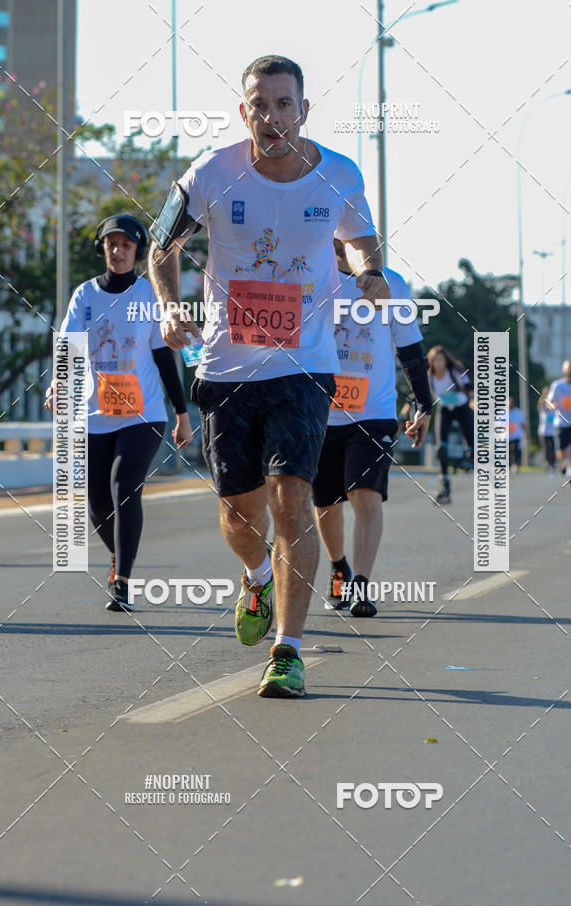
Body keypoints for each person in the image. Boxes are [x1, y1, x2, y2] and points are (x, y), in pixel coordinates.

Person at [148, 54, 391, 697]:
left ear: (303, 110)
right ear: (244, 111)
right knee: (238, 512)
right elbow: (161, 245)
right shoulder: (211, 173)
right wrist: (172, 308)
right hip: (227, 366)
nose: (272, 116)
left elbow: (364, 240)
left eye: (284, 104)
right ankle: (256, 576)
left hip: (305, 365)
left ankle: (287, 649)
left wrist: (369, 271)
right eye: (260, 104)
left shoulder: (337, 174)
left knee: (292, 501)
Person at [45, 214, 193, 611]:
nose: (118, 250)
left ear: (137, 250)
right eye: (111, 244)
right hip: (93, 415)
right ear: (103, 249)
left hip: (142, 416)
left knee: (123, 488)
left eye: (126, 244)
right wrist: (59, 383)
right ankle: (119, 556)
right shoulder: (85, 296)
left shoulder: (148, 295)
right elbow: (70, 346)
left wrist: (182, 414)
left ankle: (123, 581)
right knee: (96, 501)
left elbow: (164, 359)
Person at [313, 240, 431, 617]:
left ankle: (361, 584)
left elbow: (410, 347)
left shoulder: (391, 284)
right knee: (325, 502)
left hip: (374, 411)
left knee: (365, 495)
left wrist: (423, 403)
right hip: (319, 412)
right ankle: (339, 566)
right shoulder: (313, 281)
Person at [427, 345, 474, 504]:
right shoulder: (430, 377)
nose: (438, 363)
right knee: (441, 448)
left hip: (462, 408)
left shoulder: (454, 372)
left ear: (446, 361)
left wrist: (474, 400)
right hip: (445, 410)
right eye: (435, 361)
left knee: (472, 450)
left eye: (441, 360)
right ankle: (445, 488)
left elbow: (470, 387)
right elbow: (423, 396)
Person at [547, 359, 571, 485]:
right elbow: (549, 402)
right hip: (560, 422)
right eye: (568, 367)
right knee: (561, 451)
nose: (570, 369)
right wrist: (553, 406)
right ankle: (565, 464)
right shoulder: (557, 385)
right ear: (563, 370)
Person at [537, 386, 556, 474]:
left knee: (552, 448)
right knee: (546, 448)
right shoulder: (542, 408)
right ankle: (546, 463)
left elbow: (556, 405)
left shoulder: (553, 408)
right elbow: (541, 403)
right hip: (543, 432)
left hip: (553, 432)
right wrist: (544, 395)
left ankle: (552, 464)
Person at [508, 396, 526, 472]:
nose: (510, 404)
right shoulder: (502, 413)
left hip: (516, 435)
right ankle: (509, 465)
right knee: (509, 451)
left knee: (515, 450)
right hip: (506, 436)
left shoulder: (518, 413)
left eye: (511, 403)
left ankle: (516, 465)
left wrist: (525, 434)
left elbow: (523, 424)